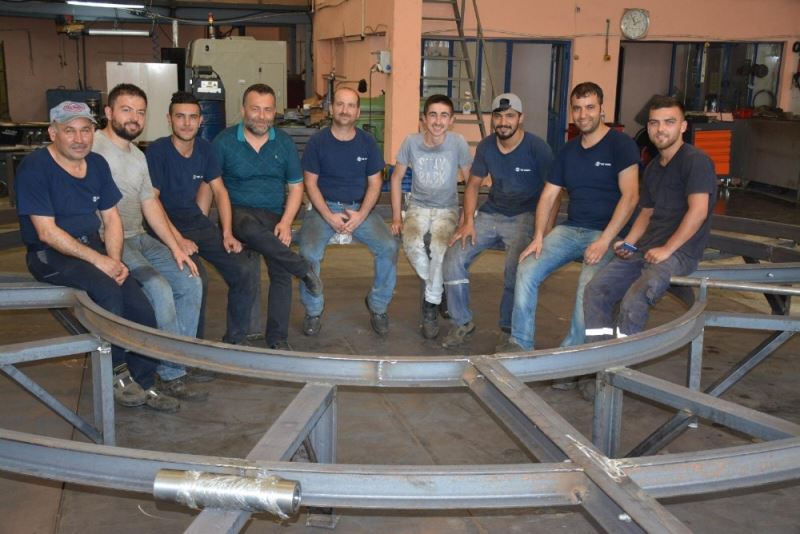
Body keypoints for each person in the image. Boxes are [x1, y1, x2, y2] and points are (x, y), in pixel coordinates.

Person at [16, 101, 178, 412]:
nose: (79, 139)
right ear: (53, 133)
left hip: (93, 248)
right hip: (50, 255)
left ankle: (145, 380)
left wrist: (114, 260)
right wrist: (100, 262)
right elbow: (46, 232)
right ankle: (117, 373)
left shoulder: (97, 164)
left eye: (86, 130)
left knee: (142, 307)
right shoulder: (35, 168)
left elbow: (111, 218)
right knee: (107, 295)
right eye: (69, 131)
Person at [499, 82, 639, 359]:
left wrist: (604, 241)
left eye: (590, 107)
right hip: (572, 229)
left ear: (602, 109)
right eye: (577, 108)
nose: (583, 114)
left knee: (588, 285)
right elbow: (548, 195)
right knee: (526, 267)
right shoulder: (567, 151)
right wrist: (538, 236)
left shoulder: (621, 145)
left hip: (609, 233)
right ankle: (520, 345)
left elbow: (631, 196)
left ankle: (570, 356)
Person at [92, 84, 205, 402]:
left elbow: (150, 204)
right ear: (109, 112)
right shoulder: (93, 148)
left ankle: (179, 360)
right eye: (126, 110)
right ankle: (171, 373)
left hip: (140, 235)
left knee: (190, 279)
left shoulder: (138, 156)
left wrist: (175, 247)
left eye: (140, 112)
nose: (134, 118)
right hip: (110, 240)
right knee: (159, 289)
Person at [583, 96, 716, 341]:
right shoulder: (654, 167)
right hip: (646, 248)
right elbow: (646, 212)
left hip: (679, 253)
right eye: (654, 123)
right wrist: (630, 243)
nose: (660, 129)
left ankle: (624, 357)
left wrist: (667, 249)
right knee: (596, 290)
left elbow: (698, 212)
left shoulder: (696, 161)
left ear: (683, 126)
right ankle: (598, 353)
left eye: (669, 122)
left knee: (634, 300)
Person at [212, 84, 321, 350]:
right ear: (243, 110)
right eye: (255, 109)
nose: (261, 116)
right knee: (246, 240)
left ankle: (278, 339)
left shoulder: (283, 143)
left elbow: (296, 188)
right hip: (236, 214)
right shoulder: (223, 141)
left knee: (280, 273)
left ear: (275, 112)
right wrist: (216, 227)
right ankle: (301, 268)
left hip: (273, 216)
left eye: (268, 110)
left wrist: (285, 222)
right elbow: (212, 186)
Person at [440, 93, 554, 348]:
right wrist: (468, 222)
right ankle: (461, 322)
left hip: (525, 215)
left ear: (521, 118)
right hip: (491, 213)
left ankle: (508, 326)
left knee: (516, 269)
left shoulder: (538, 148)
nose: (503, 122)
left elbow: (553, 191)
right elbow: (473, 185)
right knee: (453, 258)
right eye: (498, 116)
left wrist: (545, 230)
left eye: (510, 116)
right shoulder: (486, 146)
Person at [145, 91, 258, 346]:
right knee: (197, 279)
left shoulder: (206, 149)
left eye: (192, 117)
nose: (186, 123)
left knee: (243, 269)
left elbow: (220, 191)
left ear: (200, 120)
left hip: (196, 222)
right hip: (163, 226)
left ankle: (235, 341)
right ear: (169, 119)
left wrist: (227, 233)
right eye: (180, 117)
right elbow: (153, 202)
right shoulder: (157, 151)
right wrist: (178, 240)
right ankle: (193, 348)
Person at [299, 86, 397, 337]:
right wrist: (329, 216)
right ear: (331, 109)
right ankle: (313, 310)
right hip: (323, 208)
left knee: (389, 247)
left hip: (359, 208)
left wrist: (361, 214)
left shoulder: (367, 142)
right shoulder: (318, 142)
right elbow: (310, 184)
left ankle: (378, 306)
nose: (345, 110)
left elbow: (375, 184)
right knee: (308, 253)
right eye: (340, 104)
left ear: (358, 112)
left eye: (351, 105)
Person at [390, 94, 471, 339]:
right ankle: (436, 288)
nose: (438, 121)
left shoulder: (458, 143)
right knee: (412, 244)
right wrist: (397, 217)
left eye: (444, 116)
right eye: (433, 115)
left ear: (452, 120)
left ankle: (430, 306)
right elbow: (395, 179)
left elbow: (472, 182)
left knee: (439, 248)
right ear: (423, 119)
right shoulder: (411, 142)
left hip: (447, 209)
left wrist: (467, 219)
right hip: (417, 207)